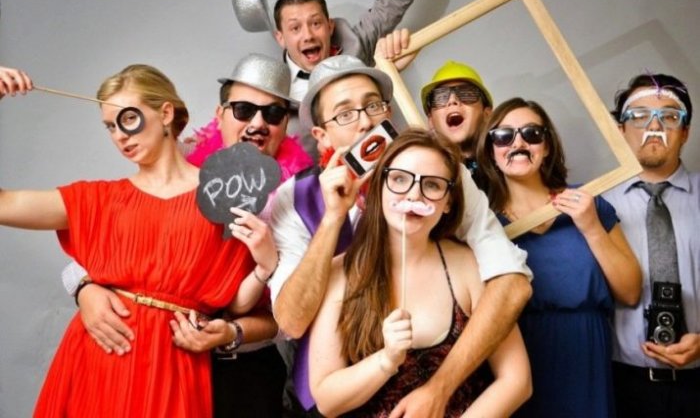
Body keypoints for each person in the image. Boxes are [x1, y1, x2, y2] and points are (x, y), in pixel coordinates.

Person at [0, 64, 272, 416]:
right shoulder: (99, 199)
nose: (119, 136)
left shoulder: (224, 197)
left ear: (165, 113)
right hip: (97, 364)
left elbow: (242, 304)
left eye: (128, 119)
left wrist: (262, 271)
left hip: (174, 370)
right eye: (110, 127)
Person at [269, 55, 533, 416]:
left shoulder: (445, 172)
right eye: (345, 114)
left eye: (373, 106)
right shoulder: (296, 199)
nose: (365, 121)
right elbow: (292, 321)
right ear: (321, 135)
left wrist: (440, 389)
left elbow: (511, 283)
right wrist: (333, 217)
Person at [59, 54, 314, 417]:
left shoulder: (300, 200)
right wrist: (86, 289)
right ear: (220, 114)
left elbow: (292, 316)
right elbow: (109, 244)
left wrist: (233, 333)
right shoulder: (181, 170)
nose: (257, 123)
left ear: (285, 123)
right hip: (162, 363)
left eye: (273, 114)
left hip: (244, 375)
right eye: (243, 110)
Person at [308, 128, 532, 417]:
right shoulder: (342, 273)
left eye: (432, 185)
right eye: (400, 179)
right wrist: (386, 360)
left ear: (448, 201)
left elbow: (516, 381)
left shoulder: (468, 266)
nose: (414, 194)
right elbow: (327, 402)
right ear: (380, 187)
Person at [475, 97, 642, 417]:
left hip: (587, 357)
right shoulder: (484, 225)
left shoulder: (587, 203)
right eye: (504, 136)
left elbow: (631, 292)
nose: (518, 143)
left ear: (547, 146)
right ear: (491, 151)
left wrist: (591, 226)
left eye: (531, 134)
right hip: (518, 359)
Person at [602, 73, 700, 418]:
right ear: (620, 129)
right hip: (623, 386)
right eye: (639, 115)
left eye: (670, 117)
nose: (654, 126)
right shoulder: (596, 207)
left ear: (685, 132)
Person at [269, 0, 417, 157]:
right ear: (280, 38)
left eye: (316, 23)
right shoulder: (272, 94)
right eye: (295, 28)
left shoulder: (355, 43)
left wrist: (381, 71)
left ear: (330, 26)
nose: (308, 36)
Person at [420, 60, 493, 174]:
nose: (452, 100)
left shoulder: (509, 160)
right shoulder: (425, 171)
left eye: (466, 94)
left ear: (487, 114)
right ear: (431, 121)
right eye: (440, 98)